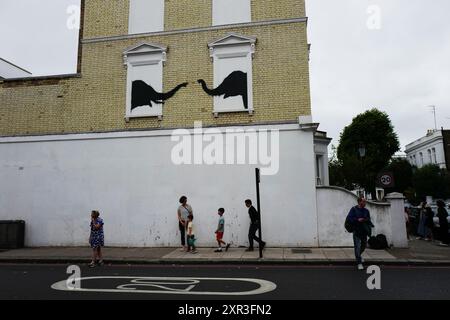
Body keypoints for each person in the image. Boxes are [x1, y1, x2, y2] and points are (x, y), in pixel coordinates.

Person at [346, 197, 374, 270]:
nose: (365, 203)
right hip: (356, 231)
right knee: (357, 246)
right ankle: (359, 263)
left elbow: (368, 219)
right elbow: (349, 218)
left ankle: (359, 256)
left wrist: (365, 219)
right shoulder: (354, 209)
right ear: (359, 202)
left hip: (364, 231)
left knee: (364, 245)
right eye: (363, 201)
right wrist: (357, 219)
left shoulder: (366, 211)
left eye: (365, 202)